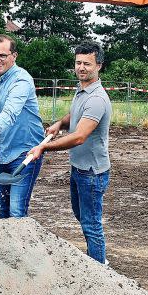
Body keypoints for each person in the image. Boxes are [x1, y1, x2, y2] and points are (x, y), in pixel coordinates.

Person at [29, 42, 111, 264]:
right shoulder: (82, 91)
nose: (81, 67)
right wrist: (59, 124)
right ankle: (97, 259)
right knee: (83, 216)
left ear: (99, 66)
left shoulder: (96, 99)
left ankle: (99, 268)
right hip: (80, 168)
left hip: (92, 173)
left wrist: (44, 146)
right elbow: (74, 115)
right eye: (78, 63)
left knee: (91, 223)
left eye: (87, 63)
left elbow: (79, 136)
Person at [0, 33, 46, 219]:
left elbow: (9, 114)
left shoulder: (22, 80)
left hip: (25, 154)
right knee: (2, 211)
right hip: (1, 154)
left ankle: (23, 248)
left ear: (14, 56)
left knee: (16, 213)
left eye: (2, 55)